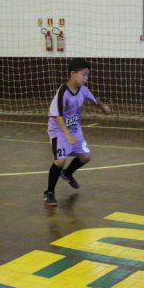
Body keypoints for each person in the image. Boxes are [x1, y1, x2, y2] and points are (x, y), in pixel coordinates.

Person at [43, 58, 111, 207]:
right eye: (83, 75)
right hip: (59, 130)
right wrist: (67, 135)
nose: (86, 78)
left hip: (75, 129)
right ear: (72, 74)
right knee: (60, 160)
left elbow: (94, 100)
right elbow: (58, 115)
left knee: (86, 156)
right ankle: (49, 192)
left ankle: (67, 173)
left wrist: (103, 108)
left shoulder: (84, 90)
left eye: (87, 75)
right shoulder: (63, 92)